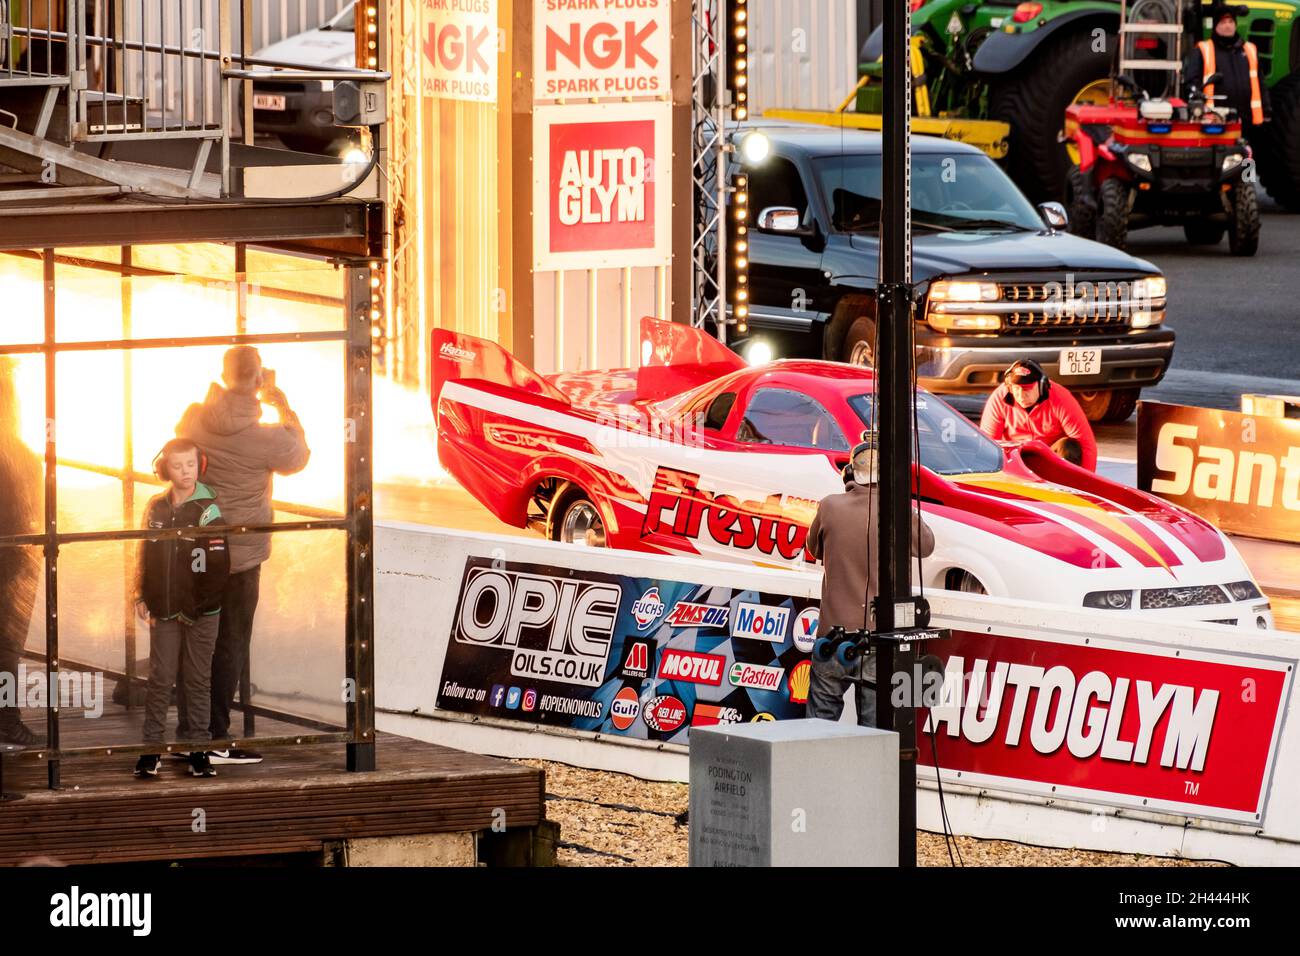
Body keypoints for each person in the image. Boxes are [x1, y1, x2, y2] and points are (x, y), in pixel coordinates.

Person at [175, 346, 310, 764]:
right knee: (230, 644)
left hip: (194, 550)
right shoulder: (267, 437)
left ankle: (188, 731)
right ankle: (214, 736)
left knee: (195, 640)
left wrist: (236, 390)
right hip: (239, 557)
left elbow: (180, 447)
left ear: (222, 372)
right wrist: (281, 402)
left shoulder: (195, 416)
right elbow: (300, 456)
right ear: (257, 378)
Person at [804, 436, 935, 726]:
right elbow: (926, 546)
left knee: (815, 728)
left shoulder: (829, 506)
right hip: (879, 640)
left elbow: (813, 549)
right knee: (873, 734)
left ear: (849, 474)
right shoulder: (897, 511)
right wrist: (903, 502)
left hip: (832, 639)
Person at [133, 439, 230, 779]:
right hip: (165, 608)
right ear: (165, 469)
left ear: (199, 465)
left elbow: (218, 570)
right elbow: (144, 554)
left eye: (190, 464)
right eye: (178, 466)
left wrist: (196, 609)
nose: (185, 472)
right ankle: (150, 751)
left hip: (203, 613)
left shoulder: (209, 510)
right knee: (159, 679)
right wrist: (140, 595)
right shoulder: (156, 507)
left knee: (197, 680)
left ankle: (199, 750)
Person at [0, 358, 41, 745]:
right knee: (7, 648)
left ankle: (7, 720)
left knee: (7, 649)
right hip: (15, 561)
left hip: (14, 559)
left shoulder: (22, 457)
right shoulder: (22, 456)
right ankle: (7, 721)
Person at [979, 359, 1097, 471]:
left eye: (1027, 389)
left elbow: (1086, 444)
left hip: (1050, 459)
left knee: (1069, 448)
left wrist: (1088, 485)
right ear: (1009, 387)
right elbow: (987, 444)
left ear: (1041, 386)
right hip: (1015, 460)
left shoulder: (1061, 398)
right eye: (1016, 389)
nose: (1021, 395)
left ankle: (1063, 487)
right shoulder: (999, 399)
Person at [1183, 4, 1270, 141]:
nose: (1227, 26)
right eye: (1223, 22)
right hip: (1215, 121)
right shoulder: (1203, 49)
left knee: (1247, 159)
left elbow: (1260, 83)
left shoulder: (1250, 49)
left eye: (1230, 22)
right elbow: (1192, 81)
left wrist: (1266, 110)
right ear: (1215, 26)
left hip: (1247, 121)